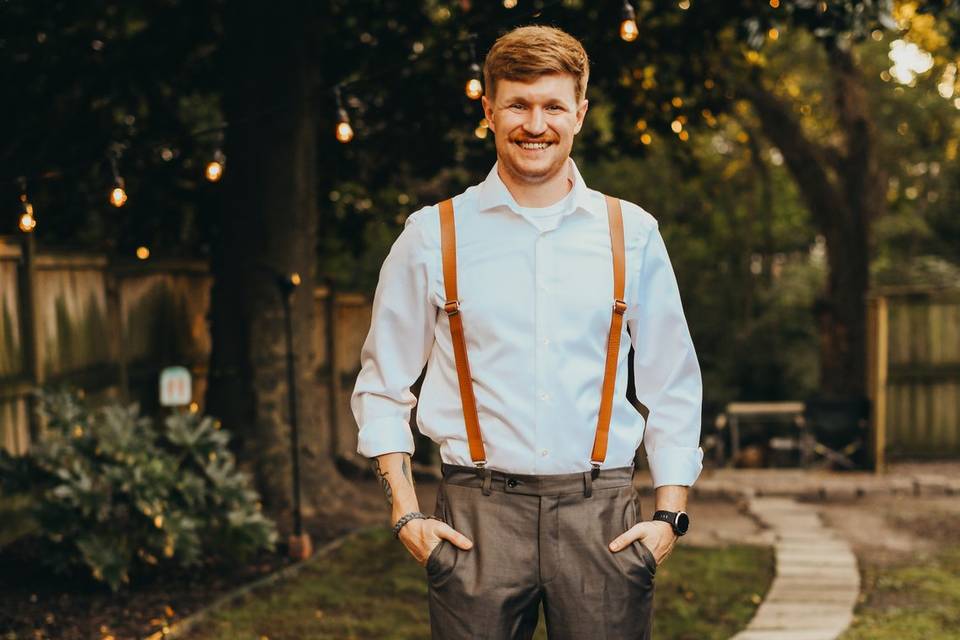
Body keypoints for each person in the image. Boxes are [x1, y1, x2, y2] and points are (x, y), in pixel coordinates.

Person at [351, 25, 703, 640]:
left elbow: (672, 381)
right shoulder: (433, 236)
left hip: (604, 518)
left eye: (552, 106)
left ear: (580, 114)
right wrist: (406, 514)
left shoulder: (633, 233)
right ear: (489, 111)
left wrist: (669, 516)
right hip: (475, 516)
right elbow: (382, 383)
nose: (534, 124)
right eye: (517, 104)